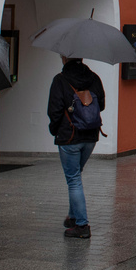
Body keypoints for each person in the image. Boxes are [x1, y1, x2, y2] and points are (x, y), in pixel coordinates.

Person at [47, 55, 106, 239]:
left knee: (73, 179)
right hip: (90, 136)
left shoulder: (60, 79)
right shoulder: (94, 77)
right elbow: (101, 105)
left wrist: (54, 129)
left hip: (69, 136)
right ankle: (73, 217)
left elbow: (54, 110)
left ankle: (82, 225)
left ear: (65, 58)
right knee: (76, 176)